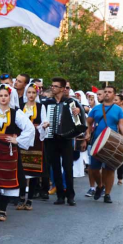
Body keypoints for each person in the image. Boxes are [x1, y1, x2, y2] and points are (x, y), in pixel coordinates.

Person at [0, 85, 35, 222]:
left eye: (6, 95)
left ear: (10, 97)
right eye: (1, 95)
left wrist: (17, 139)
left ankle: (3, 210)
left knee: (7, 180)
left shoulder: (15, 113)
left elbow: (29, 128)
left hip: (9, 151)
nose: (3, 98)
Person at [41, 77, 84, 206]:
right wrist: (44, 125)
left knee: (67, 167)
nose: (52, 88)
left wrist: (78, 113)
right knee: (55, 167)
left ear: (62, 88)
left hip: (66, 138)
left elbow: (79, 122)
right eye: (52, 86)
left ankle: (70, 195)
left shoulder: (71, 102)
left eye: (55, 86)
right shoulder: (48, 103)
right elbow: (43, 117)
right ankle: (60, 195)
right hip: (52, 138)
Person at [86, 85, 123, 204]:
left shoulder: (118, 110)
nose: (107, 93)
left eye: (110, 92)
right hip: (97, 142)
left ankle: (107, 194)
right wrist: (87, 133)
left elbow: (122, 126)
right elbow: (88, 123)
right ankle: (100, 185)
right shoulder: (96, 109)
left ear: (114, 95)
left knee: (109, 169)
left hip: (112, 142)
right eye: (105, 92)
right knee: (94, 169)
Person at [19, 83, 49, 208]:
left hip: (36, 139)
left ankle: (30, 199)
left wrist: (44, 125)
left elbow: (44, 120)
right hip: (23, 139)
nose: (31, 95)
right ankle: (21, 197)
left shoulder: (40, 106)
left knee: (33, 169)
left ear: (36, 94)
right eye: (29, 92)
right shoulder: (20, 106)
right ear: (26, 93)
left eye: (33, 92)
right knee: (21, 169)